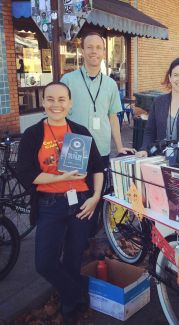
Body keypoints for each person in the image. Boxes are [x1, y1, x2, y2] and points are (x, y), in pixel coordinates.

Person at [16, 82, 104, 324]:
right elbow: (25, 172)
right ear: (43, 102)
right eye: (51, 99)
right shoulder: (34, 134)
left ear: (70, 103)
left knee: (73, 258)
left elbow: (97, 167)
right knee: (44, 263)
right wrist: (60, 177)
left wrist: (96, 197)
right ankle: (77, 294)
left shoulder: (79, 131)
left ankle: (69, 306)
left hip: (81, 203)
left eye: (62, 99)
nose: (56, 105)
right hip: (50, 204)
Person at [61, 31, 135, 165]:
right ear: (82, 51)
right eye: (89, 47)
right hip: (74, 147)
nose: (94, 51)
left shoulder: (111, 84)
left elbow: (112, 117)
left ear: (104, 52)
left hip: (102, 146)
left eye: (98, 47)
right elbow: (60, 115)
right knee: (75, 186)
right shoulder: (67, 81)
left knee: (99, 185)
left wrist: (119, 146)